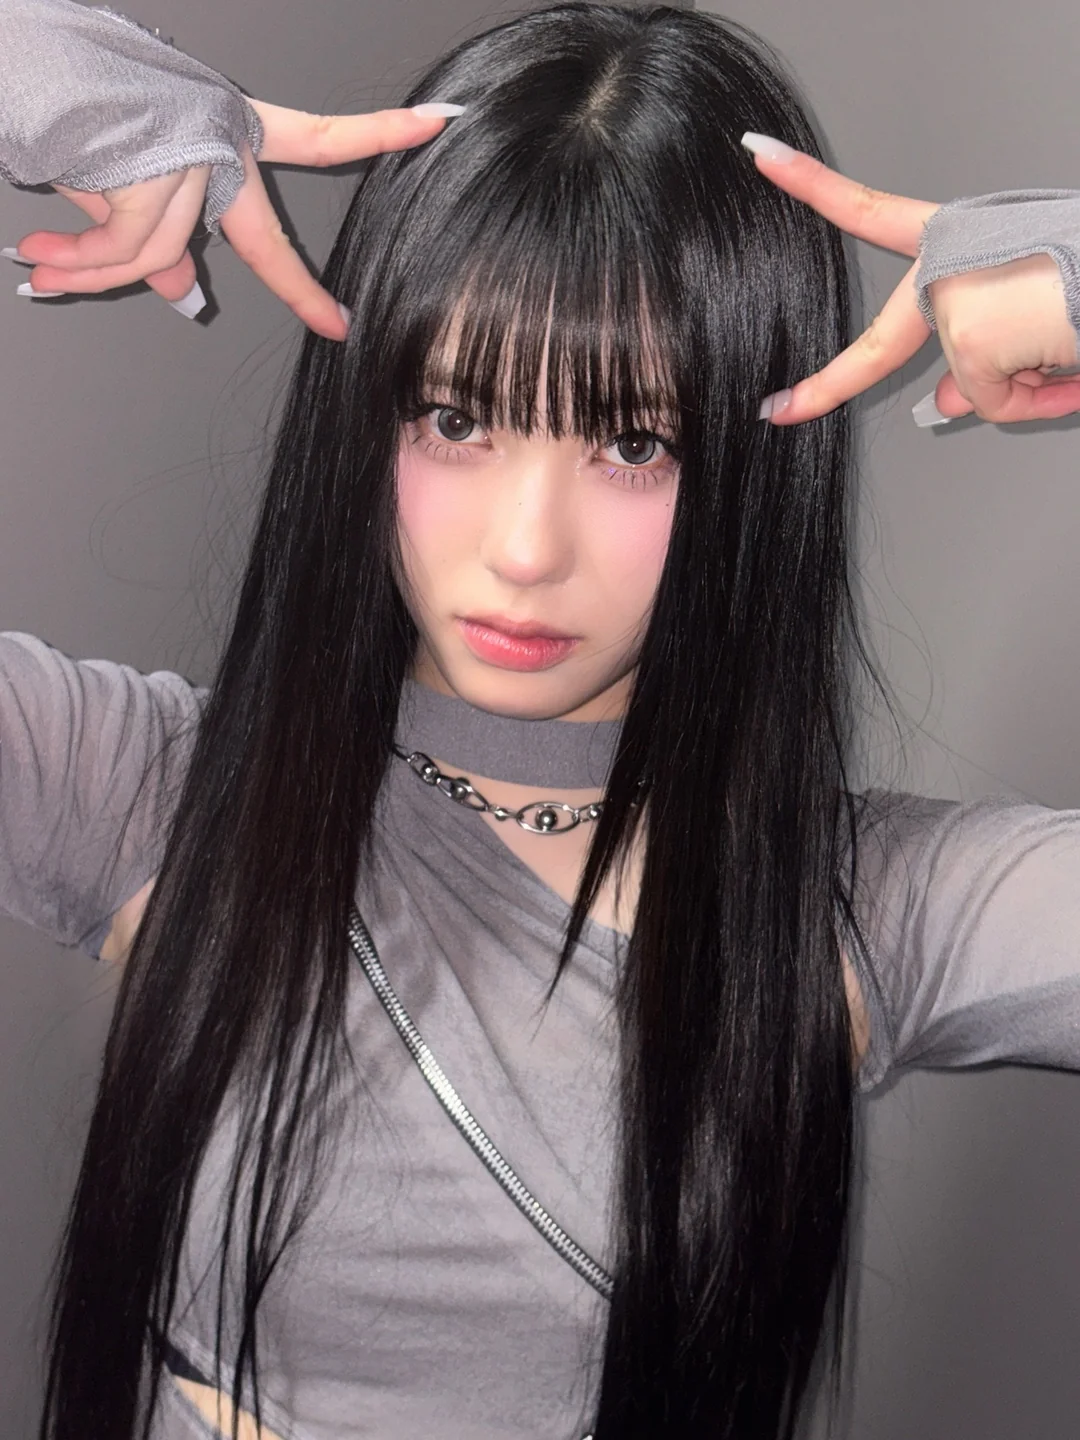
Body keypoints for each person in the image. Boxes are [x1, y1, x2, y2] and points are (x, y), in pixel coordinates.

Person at [2, 3, 1079, 1439]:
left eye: (633, 444)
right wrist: (67, 84)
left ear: (754, 466)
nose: (524, 549)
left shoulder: (855, 903)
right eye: (456, 419)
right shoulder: (144, 787)